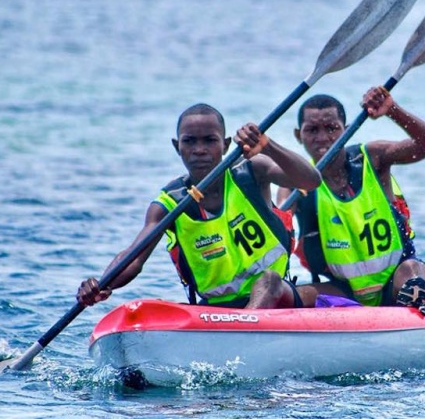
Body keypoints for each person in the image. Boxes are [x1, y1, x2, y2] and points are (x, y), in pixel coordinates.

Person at [76, 103, 321, 309]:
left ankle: (246, 328)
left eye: (209, 141)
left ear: (225, 145)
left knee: (268, 280)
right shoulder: (168, 205)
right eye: (190, 142)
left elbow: (310, 180)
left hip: (278, 298)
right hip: (215, 309)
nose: (199, 150)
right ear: (177, 146)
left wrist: (267, 145)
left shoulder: (253, 172)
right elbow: (133, 259)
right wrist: (102, 284)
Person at [277, 87, 425, 308]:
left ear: (346, 131)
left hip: (398, 280)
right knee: (282, 294)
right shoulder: (294, 183)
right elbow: (277, 225)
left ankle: (414, 313)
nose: (322, 138)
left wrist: (392, 110)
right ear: (299, 136)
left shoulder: (373, 158)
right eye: (312, 130)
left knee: (411, 273)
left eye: (331, 128)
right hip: (341, 290)